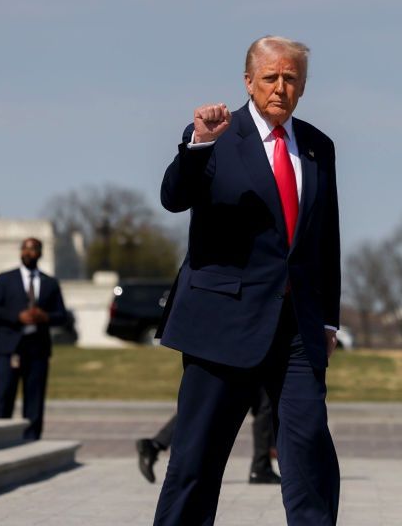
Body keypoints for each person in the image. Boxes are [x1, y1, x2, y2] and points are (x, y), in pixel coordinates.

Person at [153, 35, 341, 526]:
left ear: (303, 86)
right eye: (271, 77)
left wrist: (330, 321)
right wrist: (198, 144)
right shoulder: (217, 134)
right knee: (196, 461)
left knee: (310, 450)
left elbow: (325, 239)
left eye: (291, 78)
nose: (280, 87)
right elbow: (174, 197)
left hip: (297, 328)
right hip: (222, 323)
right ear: (248, 81)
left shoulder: (319, 147)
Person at [0, 237, 67, 441]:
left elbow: (62, 315)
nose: (29, 253)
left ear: (40, 253)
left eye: (34, 249)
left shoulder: (50, 283)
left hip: (37, 348)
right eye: (26, 249)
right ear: (20, 251)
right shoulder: (5, 279)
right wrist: (16, 316)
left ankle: (31, 439)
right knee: (4, 395)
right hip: (9, 346)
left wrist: (45, 317)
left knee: (35, 399)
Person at [137, 387, 281, 485]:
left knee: (261, 400)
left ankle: (155, 444)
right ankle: (261, 467)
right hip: (240, 352)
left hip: (236, 351)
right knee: (211, 402)